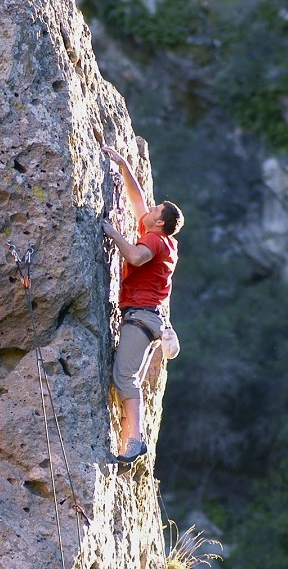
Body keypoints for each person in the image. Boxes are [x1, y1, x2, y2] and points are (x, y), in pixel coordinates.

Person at [101, 146, 184, 463]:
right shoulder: (165, 240)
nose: (149, 209)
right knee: (127, 376)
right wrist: (124, 166)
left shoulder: (152, 240)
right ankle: (134, 437)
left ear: (160, 222)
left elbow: (134, 256)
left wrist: (112, 234)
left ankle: (134, 440)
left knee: (125, 378)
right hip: (149, 317)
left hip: (140, 316)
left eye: (156, 209)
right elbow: (138, 204)